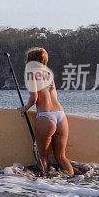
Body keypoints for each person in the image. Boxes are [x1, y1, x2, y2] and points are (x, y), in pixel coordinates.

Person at [17, 47, 74, 176]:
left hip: (45, 117)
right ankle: (73, 182)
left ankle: (45, 189)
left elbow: (34, 97)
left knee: (43, 157)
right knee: (61, 157)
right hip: (61, 115)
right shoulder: (49, 75)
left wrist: (25, 108)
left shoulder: (31, 74)